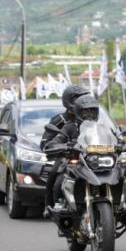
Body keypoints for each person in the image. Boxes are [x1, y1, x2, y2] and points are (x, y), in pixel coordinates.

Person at [44, 95, 100, 211]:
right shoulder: (70, 127)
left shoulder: (101, 127)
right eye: (86, 112)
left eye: (92, 112)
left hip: (96, 162)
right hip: (73, 161)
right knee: (56, 179)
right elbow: (56, 140)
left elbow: (114, 138)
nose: (89, 115)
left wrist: (123, 143)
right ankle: (54, 204)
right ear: (78, 113)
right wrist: (61, 146)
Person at [40, 85, 90, 217]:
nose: (83, 101)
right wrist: (60, 147)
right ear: (70, 101)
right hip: (67, 156)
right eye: (79, 98)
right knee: (54, 178)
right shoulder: (60, 120)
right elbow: (45, 143)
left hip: (91, 156)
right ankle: (50, 205)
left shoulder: (92, 117)